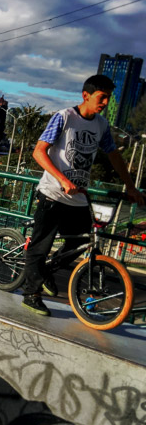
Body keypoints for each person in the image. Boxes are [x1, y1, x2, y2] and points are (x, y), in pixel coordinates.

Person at [22, 74, 143, 317]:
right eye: (102, 97)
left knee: (79, 242)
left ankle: (44, 272)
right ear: (86, 95)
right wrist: (63, 180)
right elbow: (39, 152)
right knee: (41, 246)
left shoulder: (101, 125)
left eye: (109, 98)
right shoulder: (64, 117)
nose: (106, 103)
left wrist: (130, 186)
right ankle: (31, 294)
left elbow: (114, 155)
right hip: (53, 194)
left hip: (78, 198)